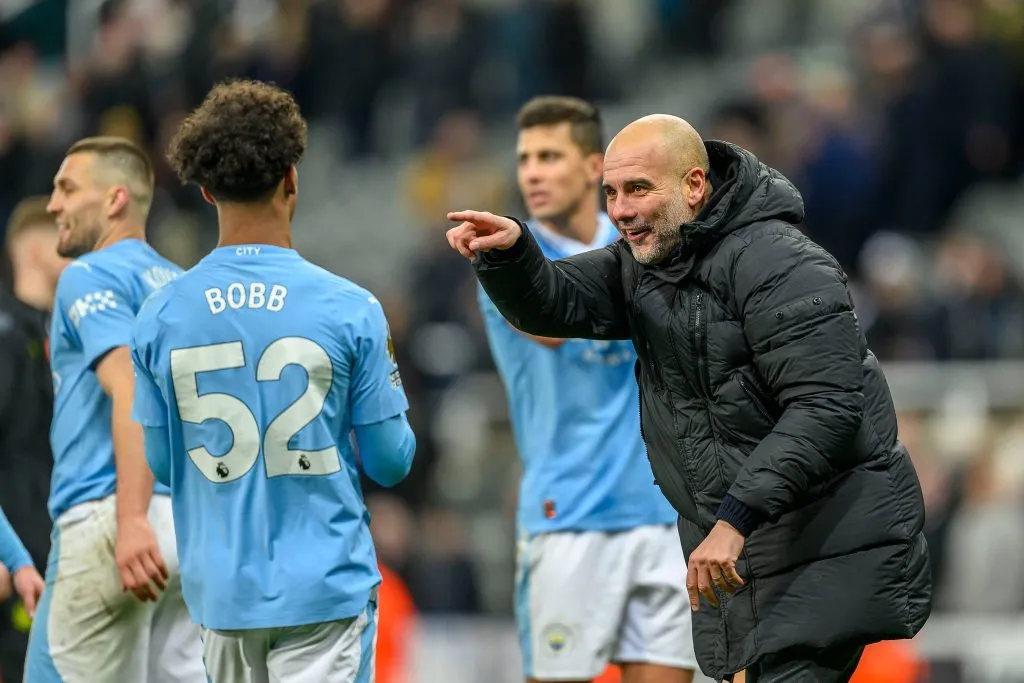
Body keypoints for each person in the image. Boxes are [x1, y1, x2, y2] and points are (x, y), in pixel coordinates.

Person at [446, 114, 932, 683]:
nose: (620, 210)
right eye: (610, 192)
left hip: (818, 542)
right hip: (750, 552)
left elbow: (826, 407)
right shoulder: (649, 262)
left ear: (694, 186)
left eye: (638, 189)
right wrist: (509, 255)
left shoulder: (782, 262)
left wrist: (734, 520)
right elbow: (559, 303)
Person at [131, 79, 416, 683]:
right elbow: (391, 462)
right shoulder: (351, 308)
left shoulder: (159, 314)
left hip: (221, 594)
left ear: (206, 190)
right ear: (292, 177)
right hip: (324, 590)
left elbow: (160, 462)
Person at [479, 96, 696, 683]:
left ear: (594, 168)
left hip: (664, 512)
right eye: (525, 158)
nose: (532, 172)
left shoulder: (649, 244)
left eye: (550, 156)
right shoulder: (507, 262)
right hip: (569, 513)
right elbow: (554, 320)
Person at [25, 137, 205, 682]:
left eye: (67, 188)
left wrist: (130, 519)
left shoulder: (89, 275)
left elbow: (129, 389)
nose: (53, 204)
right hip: (188, 532)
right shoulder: (184, 287)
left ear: (115, 200)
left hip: (112, 520)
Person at [0, 196, 64, 683]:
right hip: (16, 550)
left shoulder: (54, 333)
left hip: (46, 544)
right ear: (39, 250)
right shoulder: (4, 333)